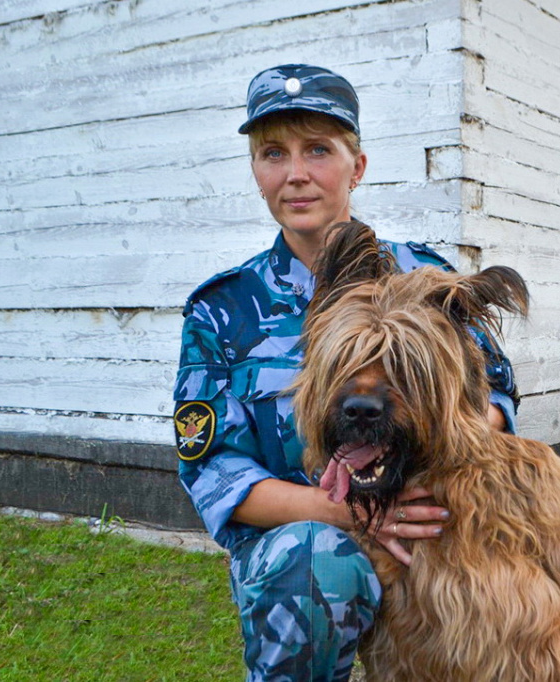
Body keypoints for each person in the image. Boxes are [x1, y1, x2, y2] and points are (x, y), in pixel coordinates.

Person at [172, 64, 520, 682]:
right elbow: (215, 469)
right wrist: (344, 513)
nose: (296, 173)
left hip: (428, 518)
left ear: (356, 166)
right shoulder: (222, 310)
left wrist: (451, 442)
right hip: (301, 540)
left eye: (319, 150)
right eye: (273, 153)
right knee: (315, 562)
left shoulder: (423, 277)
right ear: (255, 170)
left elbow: (494, 390)